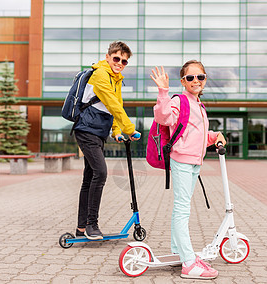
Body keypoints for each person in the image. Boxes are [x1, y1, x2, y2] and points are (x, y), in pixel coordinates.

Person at [150, 60, 226, 279]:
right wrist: (163, 91)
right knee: (183, 210)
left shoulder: (199, 105)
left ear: (205, 80)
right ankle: (189, 263)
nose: (196, 81)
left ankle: (178, 252)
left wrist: (214, 136)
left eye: (200, 77)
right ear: (183, 81)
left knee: (181, 208)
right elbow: (163, 118)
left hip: (194, 161)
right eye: (190, 77)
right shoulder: (178, 100)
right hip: (182, 160)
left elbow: (196, 135)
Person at [74, 41, 140, 240]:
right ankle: (92, 224)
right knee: (100, 173)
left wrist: (117, 131)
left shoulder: (116, 78)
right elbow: (113, 105)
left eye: (124, 61)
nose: (120, 63)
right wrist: (130, 129)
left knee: (89, 178)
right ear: (108, 56)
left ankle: (81, 228)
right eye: (117, 58)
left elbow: (113, 105)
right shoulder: (101, 74)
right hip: (86, 130)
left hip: (97, 132)